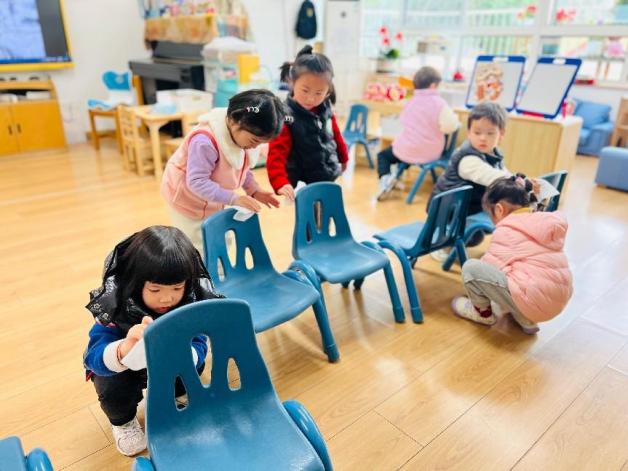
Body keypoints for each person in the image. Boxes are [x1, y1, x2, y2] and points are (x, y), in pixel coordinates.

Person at [83, 226, 223, 456]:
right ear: (135, 283)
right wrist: (123, 350)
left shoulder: (188, 302)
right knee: (111, 386)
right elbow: (93, 358)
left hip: (168, 366)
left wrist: (187, 354)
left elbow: (199, 342)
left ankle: (176, 395)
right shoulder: (116, 310)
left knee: (192, 369)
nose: (167, 298)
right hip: (126, 372)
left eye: (177, 287)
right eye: (155, 289)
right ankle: (123, 421)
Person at [161, 89, 285, 252]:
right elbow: (197, 182)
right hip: (186, 199)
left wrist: (253, 190)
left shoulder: (243, 137)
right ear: (234, 122)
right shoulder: (204, 142)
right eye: (254, 141)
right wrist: (233, 198)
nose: (255, 146)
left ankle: (218, 264)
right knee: (196, 247)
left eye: (261, 143)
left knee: (220, 239)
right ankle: (203, 268)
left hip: (211, 196)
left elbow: (241, 165)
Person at [451, 176, 572, 334]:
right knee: (519, 274)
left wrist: (475, 291)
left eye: (491, 215)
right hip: (559, 299)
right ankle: (526, 318)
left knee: (471, 268)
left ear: (499, 209)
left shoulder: (507, 230)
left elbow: (489, 268)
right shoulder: (542, 221)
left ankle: (483, 314)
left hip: (535, 301)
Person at [266, 45, 349, 202]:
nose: (311, 98)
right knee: (310, 212)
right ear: (292, 82)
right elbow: (276, 153)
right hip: (301, 180)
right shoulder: (285, 116)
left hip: (325, 172)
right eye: (305, 90)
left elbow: (335, 134)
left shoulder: (325, 107)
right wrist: (280, 182)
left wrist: (343, 157)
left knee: (326, 209)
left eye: (319, 93)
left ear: (328, 91)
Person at [376, 66, 459, 200]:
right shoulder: (440, 104)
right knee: (412, 151)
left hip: (408, 148)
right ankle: (391, 180)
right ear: (433, 85)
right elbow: (451, 126)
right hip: (430, 151)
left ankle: (386, 180)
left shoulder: (411, 102)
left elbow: (403, 121)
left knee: (383, 156)